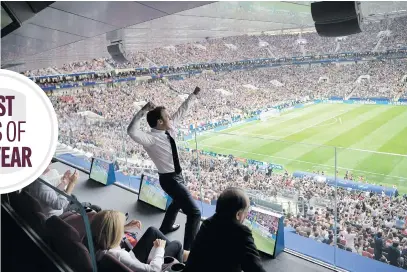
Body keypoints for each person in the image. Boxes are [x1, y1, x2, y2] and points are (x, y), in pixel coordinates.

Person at [127, 87, 201, 250]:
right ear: (160, 122)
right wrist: (142, 111)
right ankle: (189, 252)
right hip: (169, 180)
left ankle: (166, 227)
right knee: (195, 213)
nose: (170, 118)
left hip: (177, 176)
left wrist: (193, 95)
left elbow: (181, 112)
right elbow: (131, 131)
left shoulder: (169, 130)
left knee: (177, 202)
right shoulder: (150, 139)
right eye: (167, 116)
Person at [183, 187, 266, 272]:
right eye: (246, 210)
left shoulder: (207, 223)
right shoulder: (241, 233)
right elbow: (256, 269)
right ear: (238, 214)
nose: (247, 214)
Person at [91, 210, 188, 272]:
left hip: (132, 259)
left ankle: (184, 255)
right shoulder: (119, 256)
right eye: (119, 227)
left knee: (152, 231)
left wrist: (126, 227)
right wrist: (160, 249)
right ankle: (181, 266)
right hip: (143, 266)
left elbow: (107, 232)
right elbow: (153, 270)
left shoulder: (97, 243)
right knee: (177, 245)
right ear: (114, 234)